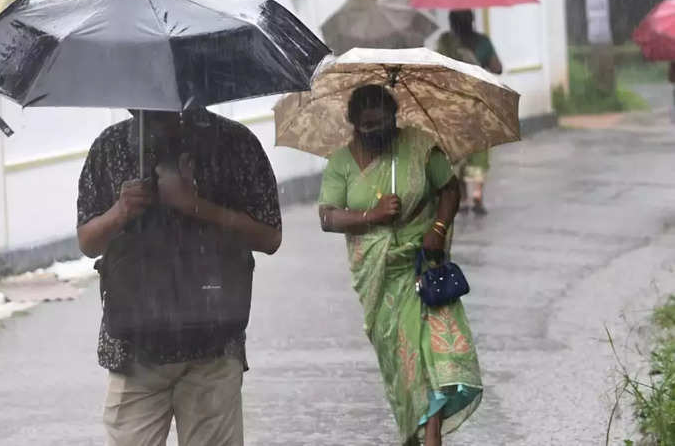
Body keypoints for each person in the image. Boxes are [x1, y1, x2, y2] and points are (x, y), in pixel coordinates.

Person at [76, 108, 282, 446]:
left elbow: (270, 237)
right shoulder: (110, 146)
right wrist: (120, 211)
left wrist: (195, 205)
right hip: (133, 349)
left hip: (214, 347)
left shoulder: (233, 144)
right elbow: (88, 243)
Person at [318, 85, 482, 446]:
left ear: (395, 118)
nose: (377, 132)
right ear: (354, 124)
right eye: (368, 126)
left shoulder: (419, 146)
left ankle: (431, 434)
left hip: (423, 270)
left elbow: (450, 189)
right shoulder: (340, 164)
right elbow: (327, 217)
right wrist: (371, 215)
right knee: (406, 372)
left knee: (433, 362)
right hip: (380, 281)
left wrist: (438, 229)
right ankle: (420, 432)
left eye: (384, 123)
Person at [438, 9, 502, 215]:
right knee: (479, 150)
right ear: (473, 21)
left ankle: (464, 197)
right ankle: (477, 196)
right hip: (477, 102)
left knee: (458, 151)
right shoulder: (482, 42)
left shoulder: (445, 41)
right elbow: (498, 68)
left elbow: (436, 67)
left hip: (453, 104)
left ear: (451, 23)